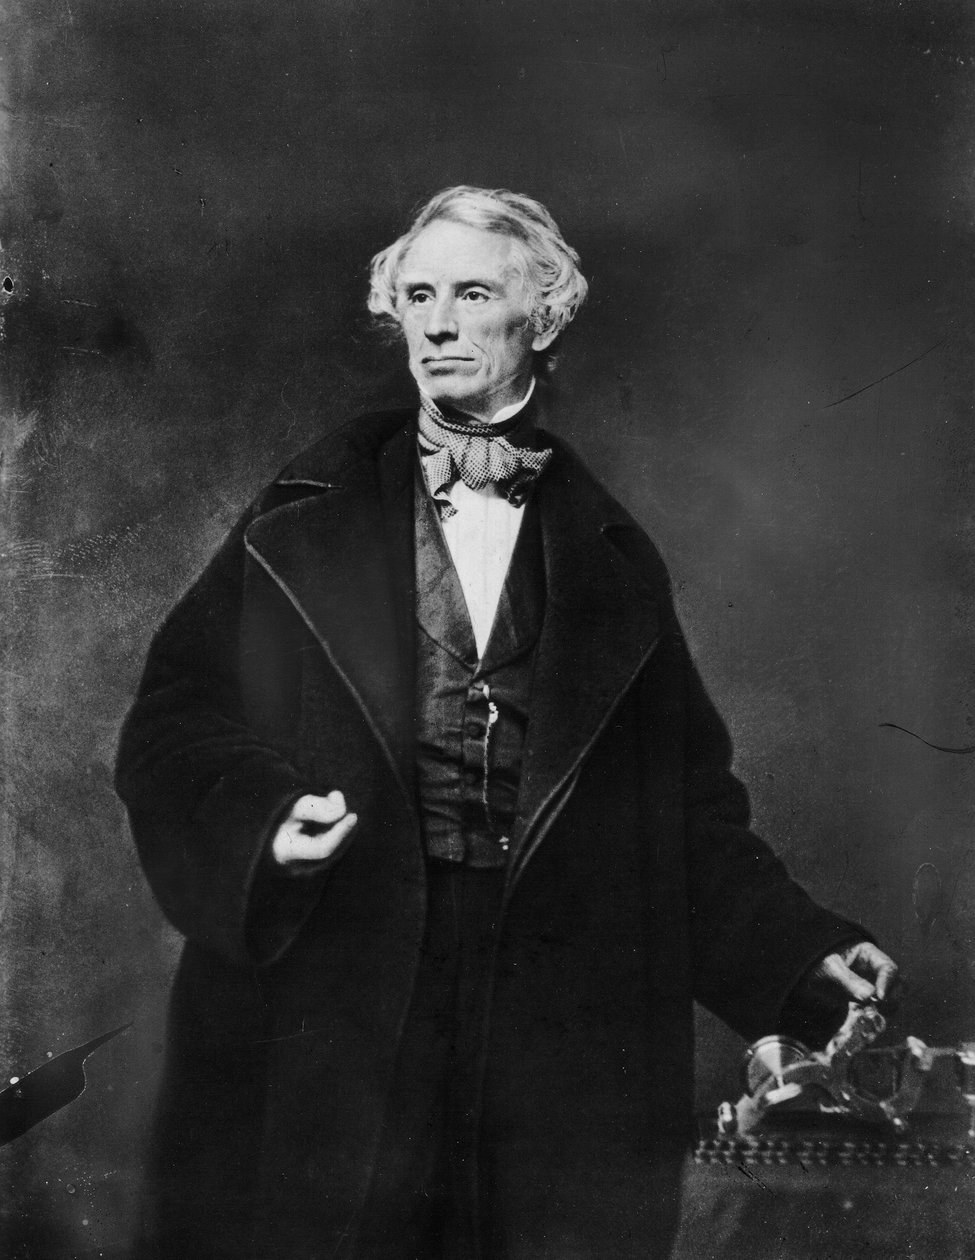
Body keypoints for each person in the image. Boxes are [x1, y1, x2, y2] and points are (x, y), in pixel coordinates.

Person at [115, 185, 898, 1260]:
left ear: (544, 314)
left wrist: (800, 953)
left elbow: (680, 820)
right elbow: (173, 723)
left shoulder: (614, 562)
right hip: (340, 982)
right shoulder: (298, 519)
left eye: (472, 294)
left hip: (554, 1006)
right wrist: (266, 819)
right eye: (417, 295)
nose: (436, 324)